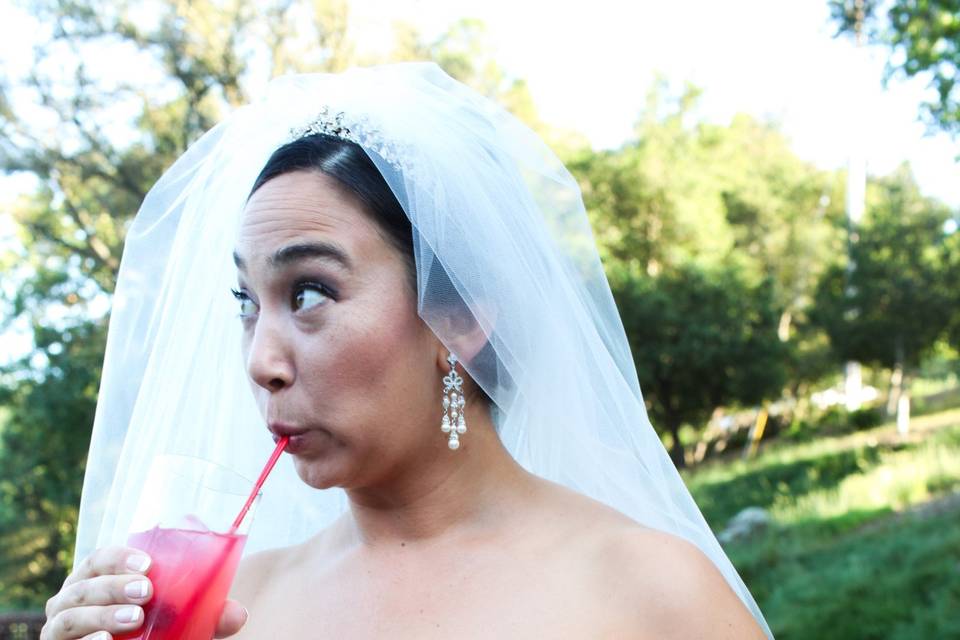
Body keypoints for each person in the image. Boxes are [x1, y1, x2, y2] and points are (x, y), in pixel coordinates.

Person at [42, 63, 771, 638]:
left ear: (457, 320)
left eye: (309, 293)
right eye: (246, 304)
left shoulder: (652, 593)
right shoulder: (231, 611)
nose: (261, 361)